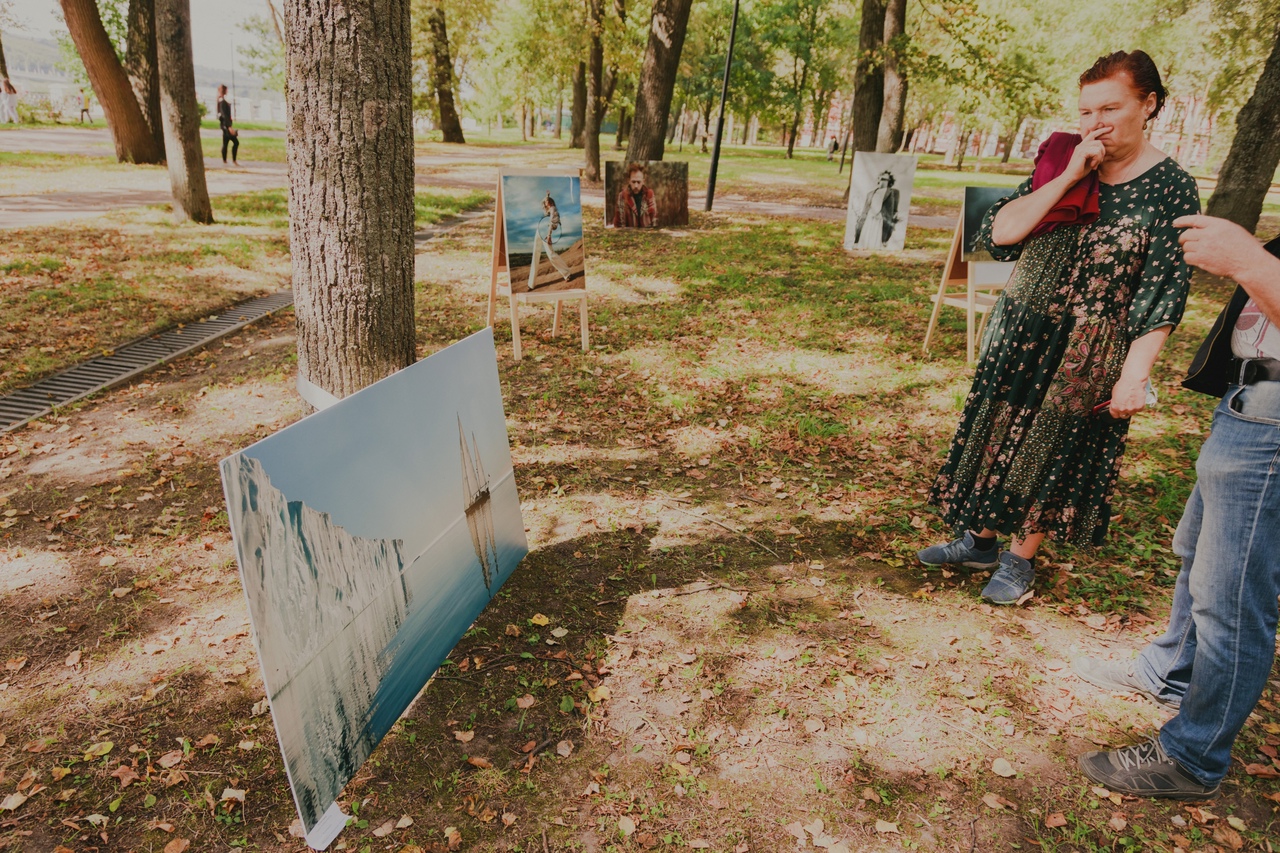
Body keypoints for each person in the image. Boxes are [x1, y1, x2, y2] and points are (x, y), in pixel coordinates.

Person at [916, 50, 1200, 604]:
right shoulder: (1062, 158)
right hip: (1023, 327)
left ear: (1148, 105)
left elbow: (1162, 290)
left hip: (1091, 343)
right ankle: (979, 542)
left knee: (1048, 448)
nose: (1096, 122)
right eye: (1087, 110)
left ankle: (1019, 560)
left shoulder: (1171, 186)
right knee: (998, 432)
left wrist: (1135, 375)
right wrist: (1071, 174)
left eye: (1110, 108)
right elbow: (1000, 234)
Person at [1073, 219, 1280, 800]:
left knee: (1232, 597)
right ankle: (1169, 671)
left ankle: (1193, 757)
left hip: (1273, 421)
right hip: (1249, 404)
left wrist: (1247, 260)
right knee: (1197, 556)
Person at [852, 170, 900, 249]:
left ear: (889, 181)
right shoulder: (870, 193)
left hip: (881, 219)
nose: (883, 181)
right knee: (865, 239)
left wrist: (889, 217)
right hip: (869, 218)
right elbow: (866, 208)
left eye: (885, 180)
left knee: (876, 241)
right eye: (881, 179)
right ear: (879, 179)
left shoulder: (893, 192)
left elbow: (894, 209)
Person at [613, 163, 658, 228]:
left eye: (638, 182)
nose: (636, 186)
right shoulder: (622, 196)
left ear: (643, 181)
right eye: (633, 182)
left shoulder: (649, 194)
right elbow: (620, 223)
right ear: (629, 181)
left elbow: (654, 220)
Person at [217, 85, 239, 165]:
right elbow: (224, 115)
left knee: (226, 142)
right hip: (226, 126)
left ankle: (225, 160)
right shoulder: (222, 102)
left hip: (225, 125)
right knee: (235, 142)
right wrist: (229, 127)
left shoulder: (222, 101)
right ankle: (231, 160)